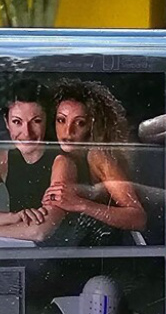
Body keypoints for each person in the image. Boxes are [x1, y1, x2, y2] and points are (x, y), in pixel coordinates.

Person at [0, 81, 77, 244]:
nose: (27, 133)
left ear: (47, 121)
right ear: (7, 123)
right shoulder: (1, 160)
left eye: (36, 121)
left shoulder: (62, 162)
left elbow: (39, 232)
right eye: (17, 122)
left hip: (57, 256)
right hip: (18, 252)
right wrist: (12, 217)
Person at [42, 80, 147, 244]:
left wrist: (81, 204)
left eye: (80, 123)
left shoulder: (98, 156)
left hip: (116, 248)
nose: (68, 131)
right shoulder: (60, 158)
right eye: (61, 120)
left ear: (92, 126)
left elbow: (138, 218)